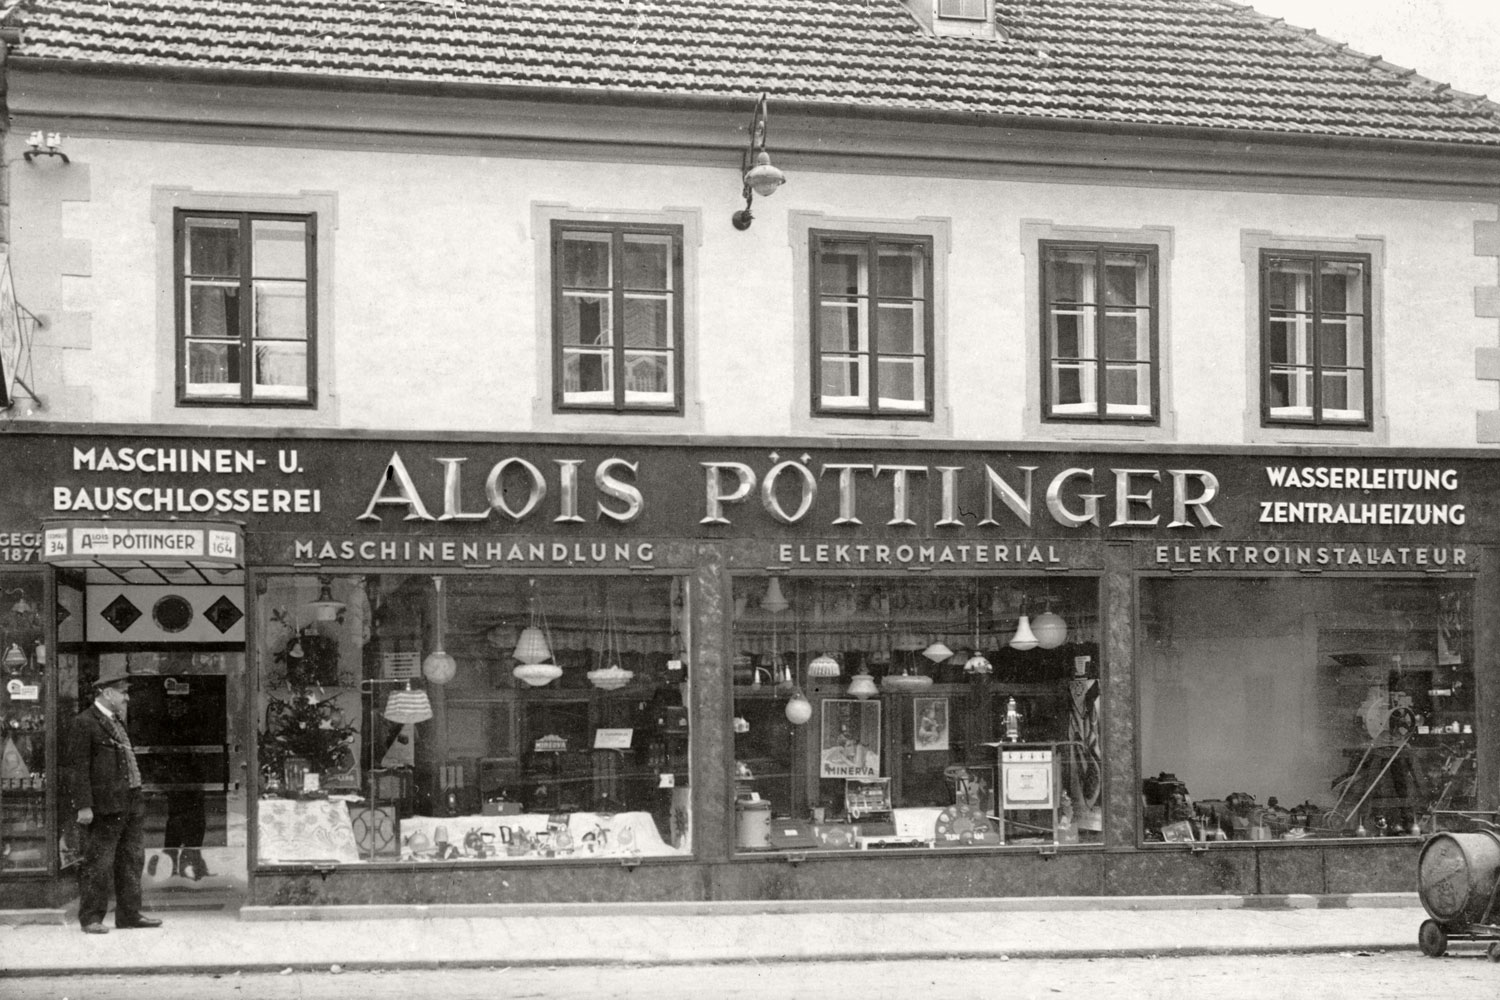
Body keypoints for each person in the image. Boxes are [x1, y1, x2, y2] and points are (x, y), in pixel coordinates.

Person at [66, 661, 162, 934]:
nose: (127, 697)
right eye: (123, 692)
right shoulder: (85, 722)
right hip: (106, 805)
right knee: (99, 862)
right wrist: (84, 805)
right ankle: (91, 918)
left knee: (132, 859)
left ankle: (129, 915)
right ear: (107, 693)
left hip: (130, 801)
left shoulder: (115, 720)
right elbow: (79, 768)